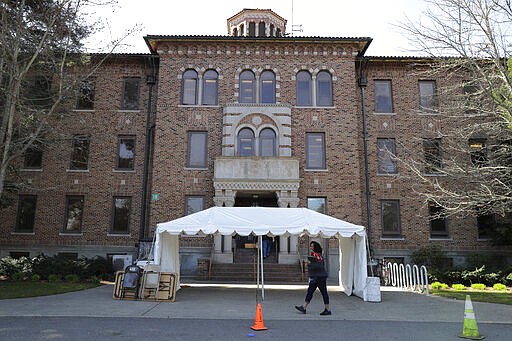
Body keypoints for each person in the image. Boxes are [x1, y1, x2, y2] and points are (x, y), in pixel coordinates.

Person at [295, 241, 331, 315]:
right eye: (310, 246)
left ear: (315, 247)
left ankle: (327, 309)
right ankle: (304, 307)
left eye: (312, 246)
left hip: (318, 277)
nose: (311, 247)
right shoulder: (317, 255)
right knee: (310, 292)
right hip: (316, 276)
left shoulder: (317, 255)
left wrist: (310, 264)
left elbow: (319, 266)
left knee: (323, 292)